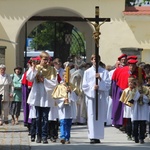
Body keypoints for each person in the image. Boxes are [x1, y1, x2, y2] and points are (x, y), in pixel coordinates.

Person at [26, 51, 57, 144]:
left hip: (47, 96)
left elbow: (54, 83)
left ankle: (44, 136)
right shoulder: (36, 68)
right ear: (40, 59)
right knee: (38, 117)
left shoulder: (52, 69)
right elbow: (29, 78)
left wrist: (45, 81)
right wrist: (33, 68)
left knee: (45, 117)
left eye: (47, 60)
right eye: (44, 59)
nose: (46, 62)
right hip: (38, 95)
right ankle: (38, 135)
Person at [82, 54, 111, 144]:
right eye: (94, 59)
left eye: (97, 59)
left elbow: (108, 84)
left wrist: (100, 80)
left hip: (100, 96)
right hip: (91, 97)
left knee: (99, 116)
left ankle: (97, 136)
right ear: (91, 60)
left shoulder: (104, 72)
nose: (95, 61)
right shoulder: (87, 72)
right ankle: (92, 136)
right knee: (91, 116)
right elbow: (84, 85)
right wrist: (92, 88)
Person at [111, 56, 146, 129]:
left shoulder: (140, 71)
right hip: (125, 92)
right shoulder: (121, 70)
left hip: (137, 93)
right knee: (125, 110)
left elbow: (143, 81)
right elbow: (116, 82)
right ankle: (124, 124)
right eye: (130, 65)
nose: (132, 67)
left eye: (133, 66)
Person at [52, 70, 79, 144]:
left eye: (68, 76)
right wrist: (63, 99)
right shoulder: (59, 87)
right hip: (63, 107)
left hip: (70, 107)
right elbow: (56, 98)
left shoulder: (72, 86)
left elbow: (76, 97)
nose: (66, 78)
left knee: (68, 122)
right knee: (63, 122)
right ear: (63, 77)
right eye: (65, 76)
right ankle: (63, 136)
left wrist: (71, 92)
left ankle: (67, 137)